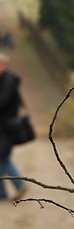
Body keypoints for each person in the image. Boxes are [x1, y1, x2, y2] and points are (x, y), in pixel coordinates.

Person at [0, 52, 27, 201]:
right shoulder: (4, 80)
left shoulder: (8, 81)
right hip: (4, 127)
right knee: (3, 158)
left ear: (5, 65)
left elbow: (3, 102)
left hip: (6, 128)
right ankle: (9, 189)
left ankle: (17, 185)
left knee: (1, 158)